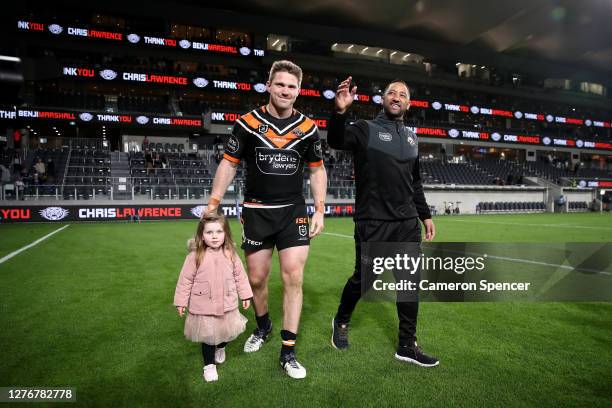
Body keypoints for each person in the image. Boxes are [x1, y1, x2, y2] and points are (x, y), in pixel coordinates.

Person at [205, 60, 327, 379]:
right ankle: (264, 326)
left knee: (293, 277)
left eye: (292, 86)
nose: (286, 90)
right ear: (269, 86)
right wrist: (214, 202)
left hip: (293, 213)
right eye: (281, 84)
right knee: (256, 279)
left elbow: (317, 169)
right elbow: (229, 164)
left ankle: (288, 351)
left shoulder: (308, 128)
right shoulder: (246, 123)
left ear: (298, 91)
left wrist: (320, 208)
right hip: (256, 212)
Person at [328, 76, 439, 367]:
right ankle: (341, 319)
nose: (397, 96)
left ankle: (407, 344)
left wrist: (424, 215)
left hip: (406, 224)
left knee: (409, 285)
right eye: (392, 92)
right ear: (383, 99)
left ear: (408, 103)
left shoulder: (413, 138)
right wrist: (340, 112)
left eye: (403, 94)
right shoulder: (365, 129)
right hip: (373, 221)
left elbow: (414, 183)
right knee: (364, 281)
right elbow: (336, 140)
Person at [173, 214, 253, 382]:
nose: (215, 236)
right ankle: (209, 365)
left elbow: (240, 277)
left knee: (227, 332)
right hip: (204, 306)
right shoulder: (195, 256)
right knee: (208, 337)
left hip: (227, 303)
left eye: (219, 231)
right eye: (209, 232)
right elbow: (185, 280)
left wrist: (245, 295)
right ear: (202, 235)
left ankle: (221, 347)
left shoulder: (231, 254)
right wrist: (180, 302)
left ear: (226, 234)